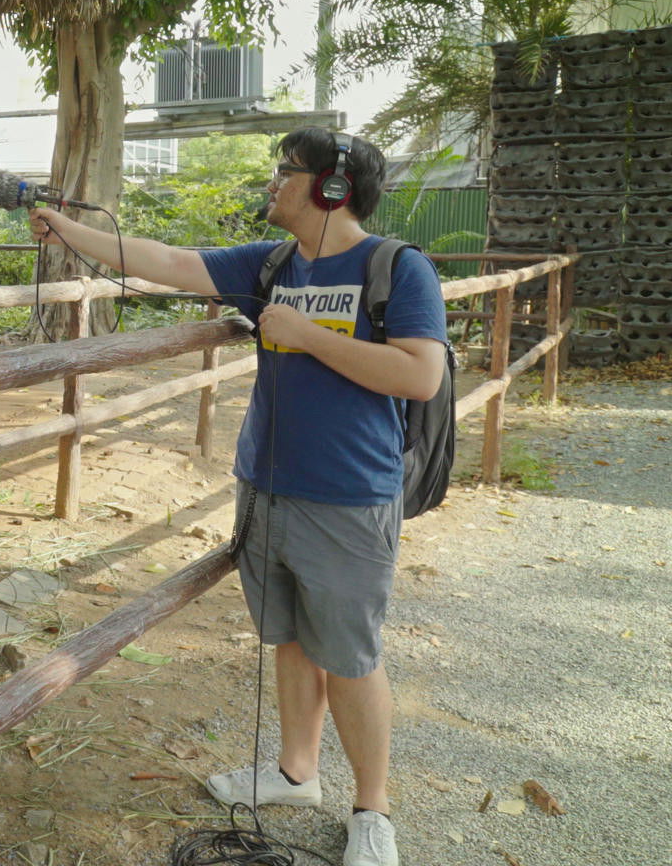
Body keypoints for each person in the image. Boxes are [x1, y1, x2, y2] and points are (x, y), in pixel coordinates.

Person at [29, 128, 445, 866]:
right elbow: (167, 262)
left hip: (349, 494)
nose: (273, 184)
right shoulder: (270, 263)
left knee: (348, 653)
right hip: (266, 484)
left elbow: (419, 377)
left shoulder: (396, 268)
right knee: (287, 633)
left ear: (331, 188)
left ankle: (372, 811)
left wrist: (307, 334)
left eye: (285, 173)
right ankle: (295, 771)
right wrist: (67, 227)